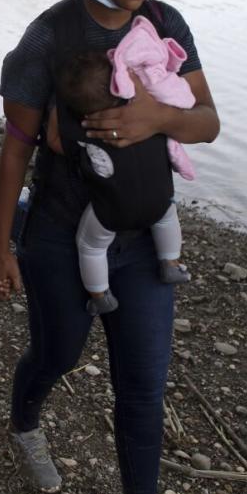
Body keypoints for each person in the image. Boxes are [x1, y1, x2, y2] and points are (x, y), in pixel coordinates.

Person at [0, 0, 220, 494]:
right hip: (61, 235)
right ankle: (25, 423)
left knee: (143, 386)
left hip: (142, 239)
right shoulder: (49, 37)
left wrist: (156, 117)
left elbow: (207, 122)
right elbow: (15, 151)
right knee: (57, 353)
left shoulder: (166, 25)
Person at [53, 40, 193, 317]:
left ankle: (100, 295)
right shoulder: (150, 119)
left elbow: (55, 142)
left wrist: (56, 110)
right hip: (158, 202)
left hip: (113, 211)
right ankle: (171, 264)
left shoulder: (87, 133)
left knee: (90, 246)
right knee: (168, 217)